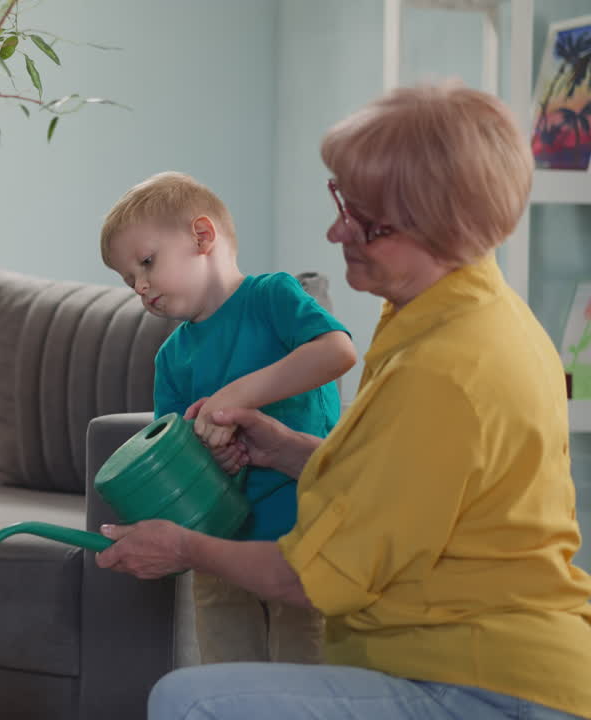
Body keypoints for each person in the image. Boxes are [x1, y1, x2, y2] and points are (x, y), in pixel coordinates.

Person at [96, 82, 591, 720]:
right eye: (342, 202)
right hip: (483, 663)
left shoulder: (446, 369)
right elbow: (406, 483)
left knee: (190, 701)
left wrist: (185, 548)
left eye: (362, 217)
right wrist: (288, 449)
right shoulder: (459, 314)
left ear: (437, 222)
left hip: (483, 681)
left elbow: (315, 577)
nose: (336, 230)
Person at [100, 171, 357, 665]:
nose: (141, 286)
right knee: (227, 682)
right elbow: (179, 462)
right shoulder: (171, 359)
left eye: (146, 262)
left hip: (305, 539)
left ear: (202, 236)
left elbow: (337, 351)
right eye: (129, 279)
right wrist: (211, 458)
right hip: (218, 551)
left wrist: (237, 395)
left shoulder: (272, 297)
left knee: (303, 681)